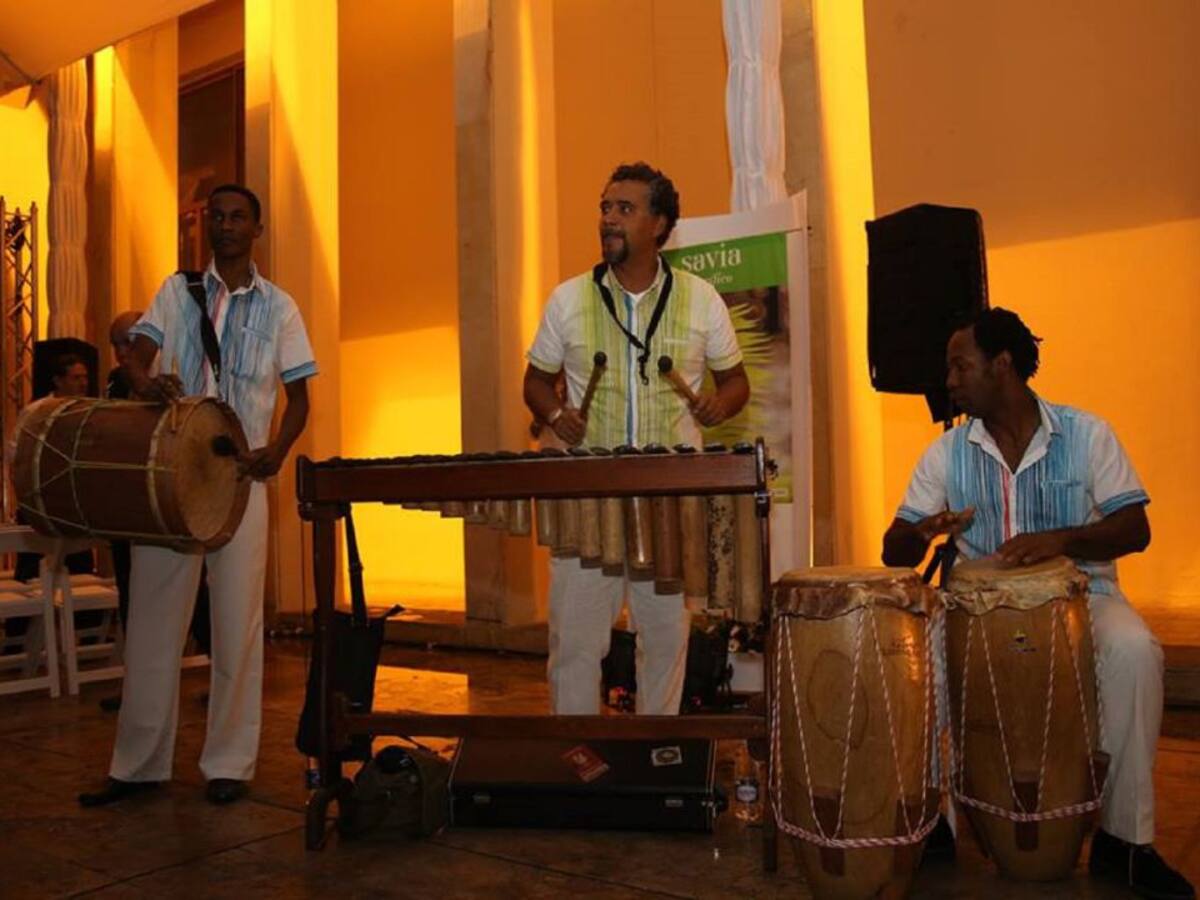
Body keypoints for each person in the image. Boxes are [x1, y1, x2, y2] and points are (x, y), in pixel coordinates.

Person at [882, 308, 1193, 900]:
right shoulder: (947, 452)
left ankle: (1125, 842)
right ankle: (933, 829)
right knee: (914, 660)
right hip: (974, 615)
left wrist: (1062, 540)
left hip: (1083, 597)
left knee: (1135, 651)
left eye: (959, 365)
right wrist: (925, 529)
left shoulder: (1087, 434)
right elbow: (892, 546)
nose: (948, 379)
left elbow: (1135, 527)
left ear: (1002, 366)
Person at [79, 184, 316, 807]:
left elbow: (301, 399)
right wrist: (143, 381)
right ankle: (137, 766)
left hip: (241, 479)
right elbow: (138, 355)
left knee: (238, 623)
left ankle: (229, 765)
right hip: (173, 479)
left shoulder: (282, 308)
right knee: (155, 624)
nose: (227, 226)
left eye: (239, 217)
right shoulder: (175, 292)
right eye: (218, 217)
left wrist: (278, 451)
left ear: (257, 229)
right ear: (206, 226)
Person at [523, 162, 749, 715]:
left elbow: (736, 382)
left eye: (624, 209)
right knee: (575, 647)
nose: (608, 219)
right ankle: (574, 761)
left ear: (660, 224)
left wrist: (721, 405)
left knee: (666, 643)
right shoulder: (567, 300)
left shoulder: (700, 300)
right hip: (587, 500)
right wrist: (556, 416)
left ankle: (657, 759)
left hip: (668, 503)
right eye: (605, 208)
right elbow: (534, 381)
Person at [99, 312, 212, 713]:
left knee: (195, 597)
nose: (123, 351)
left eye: (130, 341)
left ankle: (218, 674)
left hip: (166, 502)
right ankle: (137, 684)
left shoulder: (171, 376)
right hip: (127, 503)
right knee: (131, 596)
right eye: (117, 343)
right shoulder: (117, 380)